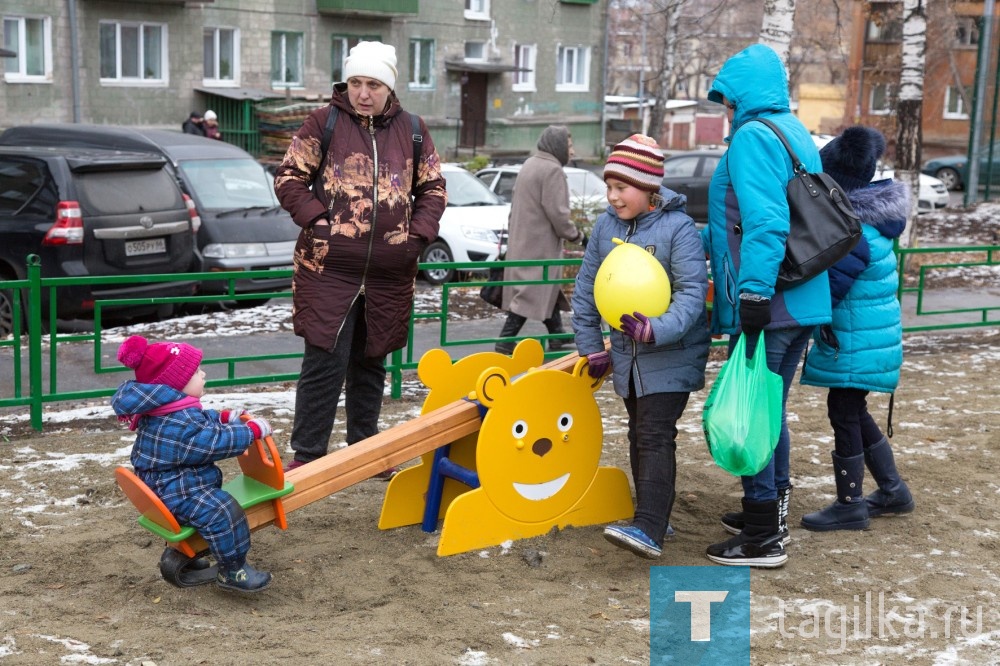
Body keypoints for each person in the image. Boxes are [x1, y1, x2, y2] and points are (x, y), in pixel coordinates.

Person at [273, 40, 447, 477]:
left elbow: (434, 189)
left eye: (373, 84)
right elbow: (289, 178)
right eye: (355, 82)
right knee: (323, 360)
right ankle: (308, 453)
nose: (363, 92)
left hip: (390, 272)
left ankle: (365, 450)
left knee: (372, 360)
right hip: (328, 268)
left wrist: (417, 237)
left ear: (389, 87)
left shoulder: (412, 130)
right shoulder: (323, 122)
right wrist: (318, 221)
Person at [701, 44, 833, 568]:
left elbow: (767, 221)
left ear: (744, 96)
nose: (724, 112)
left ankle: (761, 537)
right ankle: (770, 512)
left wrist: (753, 292)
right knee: (769, 409)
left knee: (751, 412)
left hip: (771, 301)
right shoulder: (792, 130)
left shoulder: (754, 138)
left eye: (727, 101)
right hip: (802, 297)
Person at [572, 134, 710, 559]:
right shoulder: (605, 228)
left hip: (672, 353)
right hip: (627, 358)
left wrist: (658, 329)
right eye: (608, 187)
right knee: (639, 433)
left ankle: (648, 525)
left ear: (648, 187)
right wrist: (592, 347)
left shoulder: (678, 228)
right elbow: (587, 289)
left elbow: (692, 293)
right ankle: (655, 513)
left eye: (621, 187)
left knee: (653, 433)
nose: (612, 197)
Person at [799, 126, 915, 531]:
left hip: (854, 341)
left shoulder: (852, 234)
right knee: (852, 408)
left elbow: (829, 291)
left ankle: (849, 503)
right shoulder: (871, 224)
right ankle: (892, 490)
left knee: (843, 411)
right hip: (867, 338)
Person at [110, 335, 274, 593]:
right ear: (177, 384)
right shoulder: (177, 423)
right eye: (197, 371)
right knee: (222, 511)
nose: (204, 374)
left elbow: (199, 420)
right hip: (176, 491)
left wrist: (220, 417)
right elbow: (212, 443)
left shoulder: (169, 410)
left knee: (213, 505)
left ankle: (191, 554)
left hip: (169, 484)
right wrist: (251, 432)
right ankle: (233, 570)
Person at [495, 125, 587, 355]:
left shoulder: (531, 164)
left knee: (545, 289)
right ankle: (505, 340)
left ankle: (556, 336)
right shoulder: (552, 170)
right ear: (557, 146)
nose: (573, 152)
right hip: (539, 247)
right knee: (531, 291)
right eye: (570, 146)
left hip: (522, 241)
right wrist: (579, 236)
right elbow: (559, 214)